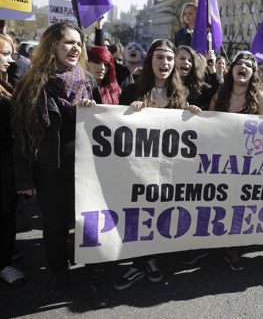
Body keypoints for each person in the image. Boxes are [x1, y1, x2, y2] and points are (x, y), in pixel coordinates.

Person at [10, 23, 104, 307]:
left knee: (88, 221)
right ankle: (59, 274)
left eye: (78, 43)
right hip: (51, 169)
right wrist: (24, 180)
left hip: (86, 167)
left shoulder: (86, 80)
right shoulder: (32, 84)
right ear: (52, 45)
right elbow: (21, 136)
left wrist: (93, 111)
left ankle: (92, 270)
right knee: (55, 226)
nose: (75, 48)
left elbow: (105, 123)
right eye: (67, 43)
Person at [115, 39, 200, 290]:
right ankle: (137, 262)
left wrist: (193, 113)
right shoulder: (132, 90)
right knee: (139, 214)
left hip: (169, 170)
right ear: (150, 59)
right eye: (160, 57)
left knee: (159, 214)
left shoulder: (181, 94)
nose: (165, 63)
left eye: (170, 58)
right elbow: (116, 127)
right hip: (138, 169)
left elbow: (188, 132)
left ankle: (151, 259)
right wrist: (128, 112)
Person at [209, 51, 263, 271]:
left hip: (247, 163)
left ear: (253, 73)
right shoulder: (220, 95)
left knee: (239, 204)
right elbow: (206, 126)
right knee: (219, 200)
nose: (243, 67)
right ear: (232, 69)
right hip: (220, 160)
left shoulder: (261, 98)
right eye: (239, 63)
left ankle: (233, 247)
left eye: (248, 65)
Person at [0, 34, 25, 286]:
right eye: (5, 54)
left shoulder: (5, 84)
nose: (11, 60)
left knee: (7, 213)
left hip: (8, 162)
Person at [175, 46, 221, 110]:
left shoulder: (200, 88)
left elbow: (219, 91)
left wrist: (212, 68)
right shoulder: (165, 85)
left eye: (190, 60)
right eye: (182, 58)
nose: (186, 62)